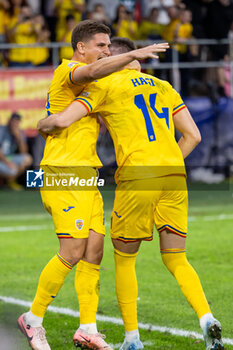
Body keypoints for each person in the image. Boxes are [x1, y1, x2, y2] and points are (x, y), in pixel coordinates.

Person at [38, 37, 224, 350]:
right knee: (177, 257)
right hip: (175, 175)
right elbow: (193, 135)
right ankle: (206, 319)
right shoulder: (164, 87)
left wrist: (45, 122)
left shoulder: (105, 86)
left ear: (115, 60)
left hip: (137, 174)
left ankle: (132, 339)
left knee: (124, 259)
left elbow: (62, 121)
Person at [18, 20, 169, 350]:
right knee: (71, 251)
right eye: (101, 45)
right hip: (62, 172)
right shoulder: (68, 70)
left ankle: (87, 328)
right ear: (81, 47)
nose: (106, 50)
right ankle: (33, 318)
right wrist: (139, 52)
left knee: (93, 252)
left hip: (87, 173)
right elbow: (89, 74)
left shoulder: (95, 88)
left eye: (109, 45)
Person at [0, 112, 32, 190]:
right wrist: (8, 163)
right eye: (14, 121)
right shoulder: (2, 130)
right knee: (12, 171)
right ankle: (6, 181)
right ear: (9, 121)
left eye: (17, 121)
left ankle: (11, 181)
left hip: (10, 158)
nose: (15, 124)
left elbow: (24, 152)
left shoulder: (20, 132)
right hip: (2, 159)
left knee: (28, 159)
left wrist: (19, 138)